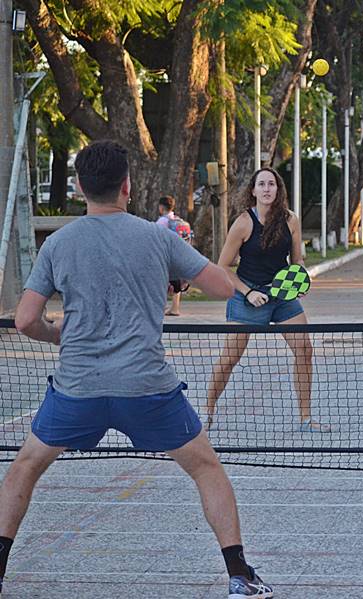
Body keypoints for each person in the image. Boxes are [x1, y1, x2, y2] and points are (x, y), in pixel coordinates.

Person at [0, 140, 274, 597]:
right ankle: (240, 576)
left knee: (23, 468)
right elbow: (224, 287)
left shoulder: (59, 243)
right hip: (147, 388)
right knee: (207, 469)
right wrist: (188, 270)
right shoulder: (159, 237)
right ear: (127, 187)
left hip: (77, 389)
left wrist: (56, 334)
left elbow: (26, 320)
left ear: (80, 188)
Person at [205, 167, 329, 432]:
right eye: (261, 184)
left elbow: (297, 261)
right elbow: (223, 266)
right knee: (230, 358)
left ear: (278, 189)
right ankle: (207, 412)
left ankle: (306, 418)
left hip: (281, 295)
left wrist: (300, 281)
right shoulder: (243, 222)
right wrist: (249, 292)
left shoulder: (291, 220)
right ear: (253, 190)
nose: (266, 188)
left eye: (271, 184)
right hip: (247, 294)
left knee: (305, 350)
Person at [155, 195, 192, 316]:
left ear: (161, 207)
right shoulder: (178, 220)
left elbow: (156, 239)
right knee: (177, 281)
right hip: (179, 255)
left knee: (161, 281)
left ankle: (161, 307)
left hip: (166, 256)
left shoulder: (162, 221)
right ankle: (175, 308)